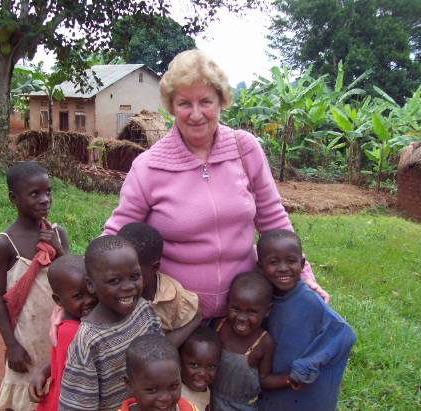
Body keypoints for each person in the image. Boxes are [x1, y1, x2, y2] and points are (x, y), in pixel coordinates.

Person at [102, 49, 328, 319]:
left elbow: (273, 220)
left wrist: (305, 276)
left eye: (206, 101)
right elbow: (116, 235)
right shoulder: (149, 166)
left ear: (221, 101)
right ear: (171, 107)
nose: (196, 114)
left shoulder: (245, 149)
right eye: (184, 103)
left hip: (245, 308)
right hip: (177, 312)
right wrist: (85, 284)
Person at [0, 161, 68, 411]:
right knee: (23, 396)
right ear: (14, 198)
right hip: (26, 337)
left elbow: (73, 278)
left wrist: (59, 249)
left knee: (55, 391)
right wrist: (11, 344)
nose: (45, 199)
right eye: (35, 194)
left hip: (56, 332)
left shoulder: (57, 233)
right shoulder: (4, 244)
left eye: (48, 192)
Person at [59, 235, 163, 411]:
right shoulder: (89, 341)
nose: (128, 286)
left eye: (135, 276)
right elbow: (78, 406)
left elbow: (161, 360)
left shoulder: (144, 310)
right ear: (91, 285)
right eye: (114, 280)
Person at [256, 229, 356, 411]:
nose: (283, 268)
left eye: (291, 261)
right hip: (275, 387)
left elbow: (343, 334)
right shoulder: (264, 298)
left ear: (302, 264)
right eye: (273, 262)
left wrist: (306, 366)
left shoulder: (309, 300)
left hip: (302, 390)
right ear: (260, 267)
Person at [211, 271, 294, 410]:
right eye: (235, 308)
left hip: (241, 407)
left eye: (252, 312)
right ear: (227, 303)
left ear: (267, 311)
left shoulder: (264, 343)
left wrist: (289, 379)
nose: (241, 317)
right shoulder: (219, 326)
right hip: (209, 398)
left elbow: (264, 380)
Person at [28, 255, 97, 410]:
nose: (89, 300)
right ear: (58, 301)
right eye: (78, 296)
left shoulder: (72, 321)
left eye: (92, 292)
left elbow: (61, 361)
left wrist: (44, 372)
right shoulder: (74, 332)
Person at [118, 222, 202, 346]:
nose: (124, 285)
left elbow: (194, 319)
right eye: (117, 273)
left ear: (154, 267)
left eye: (133, 276)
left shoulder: (175, 299)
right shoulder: (109, 287)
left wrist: (194, 322)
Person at [118, 334, 200, 411]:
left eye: (173, 386)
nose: (165, 398)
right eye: (151, 390)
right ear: (129, 384)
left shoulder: (188, 408)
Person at [179, 326, 222, 411]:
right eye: (194, 365)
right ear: (179, 361)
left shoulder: (206, 391)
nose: (202, 373)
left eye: (211, 366)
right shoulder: (177, 396)